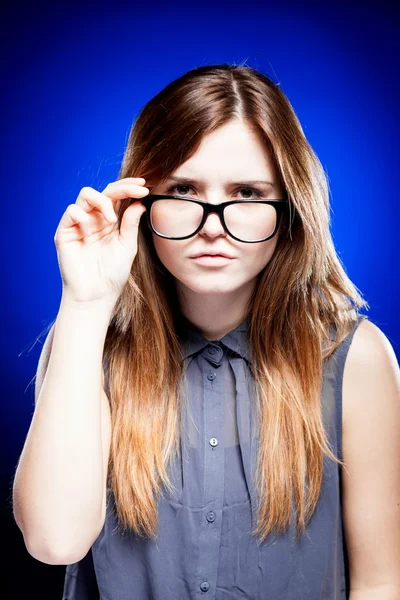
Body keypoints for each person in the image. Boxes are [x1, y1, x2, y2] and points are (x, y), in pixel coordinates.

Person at [12, 64, 400, 600]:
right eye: (184, 188)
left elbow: (382, 582)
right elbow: (54, 541)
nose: (213, 223)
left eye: (246, 192)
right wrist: (85, 302)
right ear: (142, 204)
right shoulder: (88, 343)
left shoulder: (355, 359)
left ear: (288, 210)